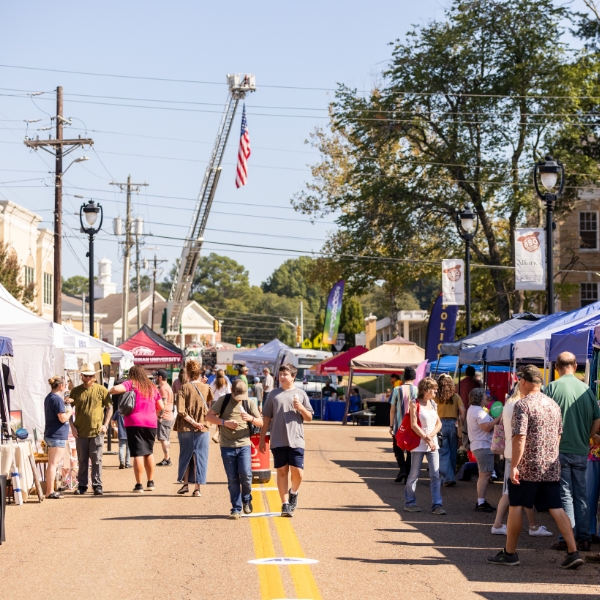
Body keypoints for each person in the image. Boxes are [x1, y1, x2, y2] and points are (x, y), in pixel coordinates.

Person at [488, 365, 584, 569]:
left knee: (515, 506)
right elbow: (558, 435)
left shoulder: (523, 405)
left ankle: (510, 553)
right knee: (556, 508)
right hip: (550, 466)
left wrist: (514, 465)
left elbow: (519, 438)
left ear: (523, 382)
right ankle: (573, 551)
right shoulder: (553, 405)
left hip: (527, 466)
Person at [544, 352, 600, 552]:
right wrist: (587, 436)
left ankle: (566, 538)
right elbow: (597, 419)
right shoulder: (586, 390)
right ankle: (584, 537)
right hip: (580, 449)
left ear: (557, 367)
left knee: (565, 495)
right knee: (582, 495)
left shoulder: (551, 388)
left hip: (559, 449)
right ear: (575, 366)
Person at [491, 383, 552, 537]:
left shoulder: (509, 404)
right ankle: (531, 526)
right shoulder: (519, 405)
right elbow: (521, 434)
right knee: (521, 490)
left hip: (512, 451)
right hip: (518, 453)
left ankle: (504, 524)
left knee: (513, 490)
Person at [259, 363, 313, 517]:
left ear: (293, 377)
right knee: (282, 472)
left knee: (298, 473)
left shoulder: (301, 394)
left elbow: (309, 418)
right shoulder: (273, 394)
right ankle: (284, 505)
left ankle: (293, 492)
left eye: (286, 374)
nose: (282, 377)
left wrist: (301, 408)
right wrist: (263, 438)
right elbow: (267, 417)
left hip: (296, 440)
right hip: (278, 439)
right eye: (281, 374)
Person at [206, 380, 263, 519]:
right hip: (227, 445)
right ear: (231, 390)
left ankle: (247, 497)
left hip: (244, 443)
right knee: (232, 478)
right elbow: (209, 416)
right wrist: (225, 423)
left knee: (246, 475)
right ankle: (236, 509)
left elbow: (261, 422)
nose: (239, 400)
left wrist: (250, 418)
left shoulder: (248, 402)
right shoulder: (223, 400)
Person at [109, 366, 163, 493]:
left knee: (138, 453)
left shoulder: (131, 383)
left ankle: (139, 485)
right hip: (151, 422)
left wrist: (109, 390)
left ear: (132, 374)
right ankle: (150, 482)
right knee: (149, 452)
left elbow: (116, 389)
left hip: (134, 421)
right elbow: (161, 405)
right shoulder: (152, 387)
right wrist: (153, 414)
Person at [69, 363, 112, 496]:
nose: (87, 378)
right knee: (82, 459)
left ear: (94, 376)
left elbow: (109, 407)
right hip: (80, 431)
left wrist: (105, 424)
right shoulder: (75, 391)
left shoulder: (101, 390)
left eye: (90, 376)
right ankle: (82, 485)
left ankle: (97, 485)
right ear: (81, 376)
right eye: (85, 376)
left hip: (96, 430)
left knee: (96, 459)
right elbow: (68, 409)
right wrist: (72, 426)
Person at [404, 377, 445, 515]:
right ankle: (410, 502)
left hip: (432, 444)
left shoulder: (433, 404)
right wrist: (426, 438)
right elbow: (413, 424)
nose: (436, 390)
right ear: (426, 389)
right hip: (418, 444)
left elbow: (439, 423)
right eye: (434, 388)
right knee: (414, 474)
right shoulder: (414, 403)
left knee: (435, 474)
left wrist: (431, 436)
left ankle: (437, 504)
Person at [174, 360, 213, 496]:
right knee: (200, 457)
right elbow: (207, 402)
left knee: (186, 455)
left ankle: (185, 485)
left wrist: (192, 422)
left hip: (185, 427)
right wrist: (198, 423)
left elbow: (181, 411)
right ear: (199, 373)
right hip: (203, 426)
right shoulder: (206, 387)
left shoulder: (183, 388)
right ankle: (197, 489)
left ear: (188, 373)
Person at [467, 387, 502, 512]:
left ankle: (481, 501)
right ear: (480, 398)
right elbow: (486, 428)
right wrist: (499, 418)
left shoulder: (474, 410)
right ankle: (481, 502)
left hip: (479, 445)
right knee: (485, 475)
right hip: (483, 445)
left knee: (484, 474)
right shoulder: (479, 411)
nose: (487, 397)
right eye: (484, 395)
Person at [43, 376, 72, 499]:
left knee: (52, 463)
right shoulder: (57, 399)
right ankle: (49, 491)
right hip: (57, 434)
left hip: (51, 433)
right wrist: (70, 411)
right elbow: (63, 418)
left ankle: (50, 489)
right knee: (53, 464)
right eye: (65, 384)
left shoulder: (49, 398)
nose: (65, 386)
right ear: (60, 386)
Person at [436, 375, 466, 488]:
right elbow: (463, 411)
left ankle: (448, 477)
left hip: (439, 425)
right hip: (453, 425)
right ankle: (450, 476)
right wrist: (463, 424)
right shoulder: (456, 396)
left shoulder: (435, 397)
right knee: (453, 452)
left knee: (443, 452)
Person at [389, 368, 418, 484]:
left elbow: (392, 410)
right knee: (411, 449)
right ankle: (407, 471)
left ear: (404, 377)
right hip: (413, 425)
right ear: (414, 378)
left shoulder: (396, 390)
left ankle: (402, 469)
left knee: (397, 448)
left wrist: (391, 426)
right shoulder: (418, 390)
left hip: (399, 425)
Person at [585, 426, 600, 563]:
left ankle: (589, 533)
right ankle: (588, 532)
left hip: (595, 453)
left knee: (590, 495)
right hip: (594, 454)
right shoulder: (595, 405)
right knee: (589, 496)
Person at [155, 369, 174, 467]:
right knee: (165, 438)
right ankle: (167, 458)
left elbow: (164, 403)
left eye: (156, 376)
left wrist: (160, 415)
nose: (155, 378)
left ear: (160, 377)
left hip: (165, 416)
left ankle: (167, 459)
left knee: (163, 439)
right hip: (169, 415)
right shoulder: (168, 387)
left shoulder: (163, 388)